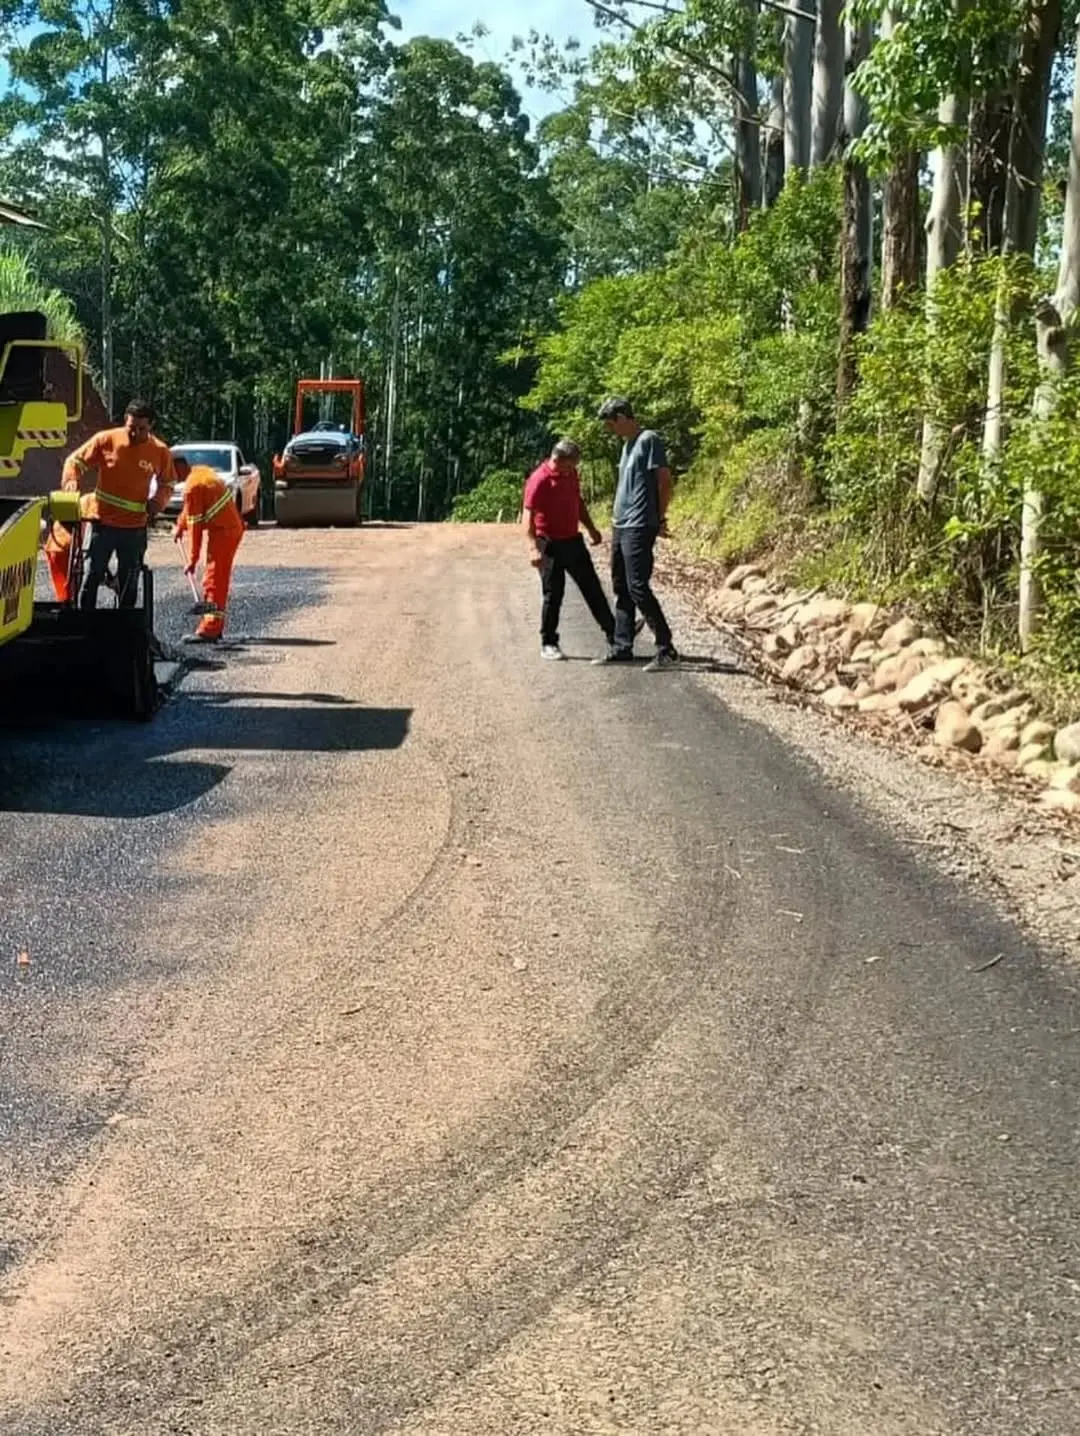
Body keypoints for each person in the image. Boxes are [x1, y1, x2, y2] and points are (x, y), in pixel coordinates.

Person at [61, 398, 176, 610]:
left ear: (151, 426)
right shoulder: (106, 440)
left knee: (129, 580)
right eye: (131, 427)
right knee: (92, 574)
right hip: (101, 524)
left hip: (134, 528)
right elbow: (74, 461)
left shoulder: (159, 452)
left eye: (142, 429)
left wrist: (158, 501)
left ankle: (124, 626)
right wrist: (71, 480)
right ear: (125, 420)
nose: (135, 433)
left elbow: (168, 482)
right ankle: (85, 622)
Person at [594, 396, 678, 671]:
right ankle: (622, 646)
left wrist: (659, 516)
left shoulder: (648, 439)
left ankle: (666, 647)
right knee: (621, 586)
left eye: (610, 424)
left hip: (640, 524)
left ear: (621, 418)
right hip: (621, 524)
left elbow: (664, 480)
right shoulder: (627, 445)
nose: (610, 430)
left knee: (638, 586)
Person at [523, 438, 616, 661]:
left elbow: (578, 502)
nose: (572, 470)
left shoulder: (570, 474)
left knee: (592, 587)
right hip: (549, 544)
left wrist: (592, 528)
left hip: (572, 541)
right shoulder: (539, 479)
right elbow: (527, 515)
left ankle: (614, 632)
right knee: (553, 594)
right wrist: (532, 547)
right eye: (570, 465)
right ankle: (548, 642)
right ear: (558, 459)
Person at [172, 457, 245, 643]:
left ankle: (210, 628)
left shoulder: (193, 486)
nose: (168, 477)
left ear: (178, 468)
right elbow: (190, 510)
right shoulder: (200, 473)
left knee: (213, 580)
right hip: (226, 528)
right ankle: (214, 624)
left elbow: (195, 526)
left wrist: (192, 559)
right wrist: (180, 526)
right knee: (217, 578)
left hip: (224, 532)